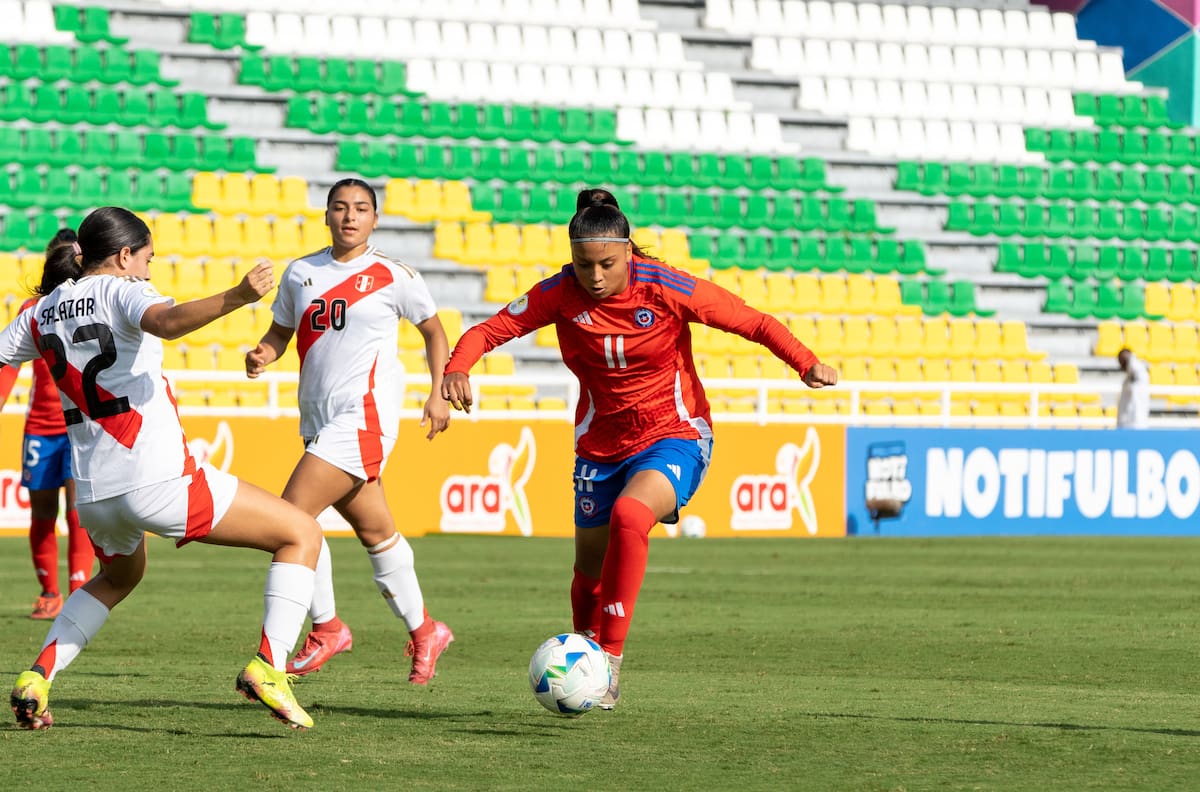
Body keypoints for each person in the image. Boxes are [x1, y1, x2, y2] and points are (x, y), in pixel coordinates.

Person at [441, 188, 838, 709]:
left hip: (675, 433)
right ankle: (582, 654)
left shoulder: (667, 288)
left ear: (629, 252)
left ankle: (608, 661)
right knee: (587, 573)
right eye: (584, 264)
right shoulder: (559, 292)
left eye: (607, 263)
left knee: (632, 514)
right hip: (599, 447)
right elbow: (488, 330)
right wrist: (457, 368)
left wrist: (805, 361)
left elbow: (753, 321)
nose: (596, 275)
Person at [2, 206, 324, 731]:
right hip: (155, 476)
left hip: (94, 493)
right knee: (302, 534)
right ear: (125, 255)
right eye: (147, 259)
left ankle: (39, 675)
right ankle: (270, 666)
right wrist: (239, 296)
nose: (149, 271)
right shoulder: (123, 290)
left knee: (118, 577)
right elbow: (167, 323)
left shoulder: (40, 311)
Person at [245, 178, 455, 683]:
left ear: (374, 219)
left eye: (361, 208)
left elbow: (433, 330)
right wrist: (263, 353)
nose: (350, 216)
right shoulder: (302, 273)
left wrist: (438, 390)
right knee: (377, 532)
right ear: (326, 215)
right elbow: (281, 331)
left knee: (291, 520)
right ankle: (426, 631)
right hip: (318, 421)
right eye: (340, 207)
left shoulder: (392, 274)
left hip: (364, 418)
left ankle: (327, 628)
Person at [0, 229, 95, 620]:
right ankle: (49, 592)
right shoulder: (32, 310)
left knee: (78, 512)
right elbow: (8, 365)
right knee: (42, 513)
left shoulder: (90, 306)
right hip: (41, 427)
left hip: (79, 427)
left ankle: (77, 590)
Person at [1116, 347, 1150, 428]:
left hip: (1137, 423)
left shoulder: (1141, 378)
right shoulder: (1126, 381)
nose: (1123, 362)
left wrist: (1130, 358)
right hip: (1124, 423)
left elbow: (1136, 367)